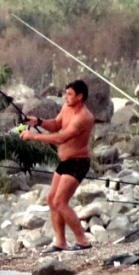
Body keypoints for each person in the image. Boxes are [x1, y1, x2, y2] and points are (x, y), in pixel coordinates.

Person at [20, 79, 95, 253]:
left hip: (78, 162)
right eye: (66, 93)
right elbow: (55, 125)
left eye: (69, 94)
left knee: (61, 201)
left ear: (80, 96)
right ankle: (60, 242)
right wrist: (38, 122)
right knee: (52, 200)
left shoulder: (84, 117)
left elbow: (62, 138)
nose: (66, 97)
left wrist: (33, 136)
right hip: (65, 162)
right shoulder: (67, 108)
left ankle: (83, 242)